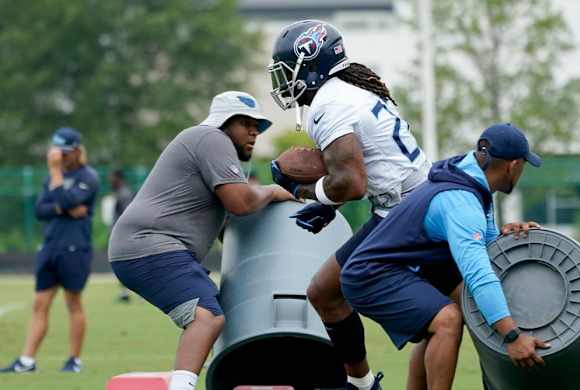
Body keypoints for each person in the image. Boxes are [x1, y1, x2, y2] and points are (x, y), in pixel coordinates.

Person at [268, 20, 431, 390]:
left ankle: (361, 385)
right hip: (408, 203)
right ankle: (360, 384)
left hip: (406, 212)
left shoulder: (329, 103)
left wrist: (306, 189)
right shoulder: (348, 91)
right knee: (326, 292)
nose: (280, 81)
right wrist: (330, 204)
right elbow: (369, 167)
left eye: (284, 69)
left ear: (308, 63)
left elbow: (352, 183)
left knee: (332, 291)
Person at [108, 91, 294, 390]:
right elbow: (240, 203)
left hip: (148, 246)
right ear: (224, 122)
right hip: (149, 244)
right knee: (206, 317)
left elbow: (231, 226)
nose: (254, 132)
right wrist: (273, 191)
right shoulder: (212, 139)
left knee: (220, 312)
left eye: (257, 126)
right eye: (245, 123)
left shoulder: (214, 149)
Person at [341, 124, 550, 390]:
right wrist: (512, 336)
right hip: (371, 275)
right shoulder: (463, 202)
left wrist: (506, 237)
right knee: (447, 320)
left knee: (451, 313)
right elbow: (478, 274)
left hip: (396, 269)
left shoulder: (471, 184)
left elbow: (484, 251)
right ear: (513, 165)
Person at [1, 127, 99, 374]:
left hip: (75, 249)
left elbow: (66, 201)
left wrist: (57, 181)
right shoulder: (51, 177)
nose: (59, 157)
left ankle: (74, 360)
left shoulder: (88, 177)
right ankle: (27, 361)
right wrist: (63, 206)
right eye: (57, 152)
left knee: (73, 303)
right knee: (39, 303)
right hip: (50, 247)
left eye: (64, 153)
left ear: (77, 151)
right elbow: (40, 210)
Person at [108, 169, 134, 303]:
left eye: (112, 177)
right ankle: (124, 293)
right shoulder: (121, 192)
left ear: (118, 178)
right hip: (121, 234)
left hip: (124, 236)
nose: (110, 180)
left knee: (126, 264)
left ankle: (130, 293)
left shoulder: (124, 193)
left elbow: (126, 215)